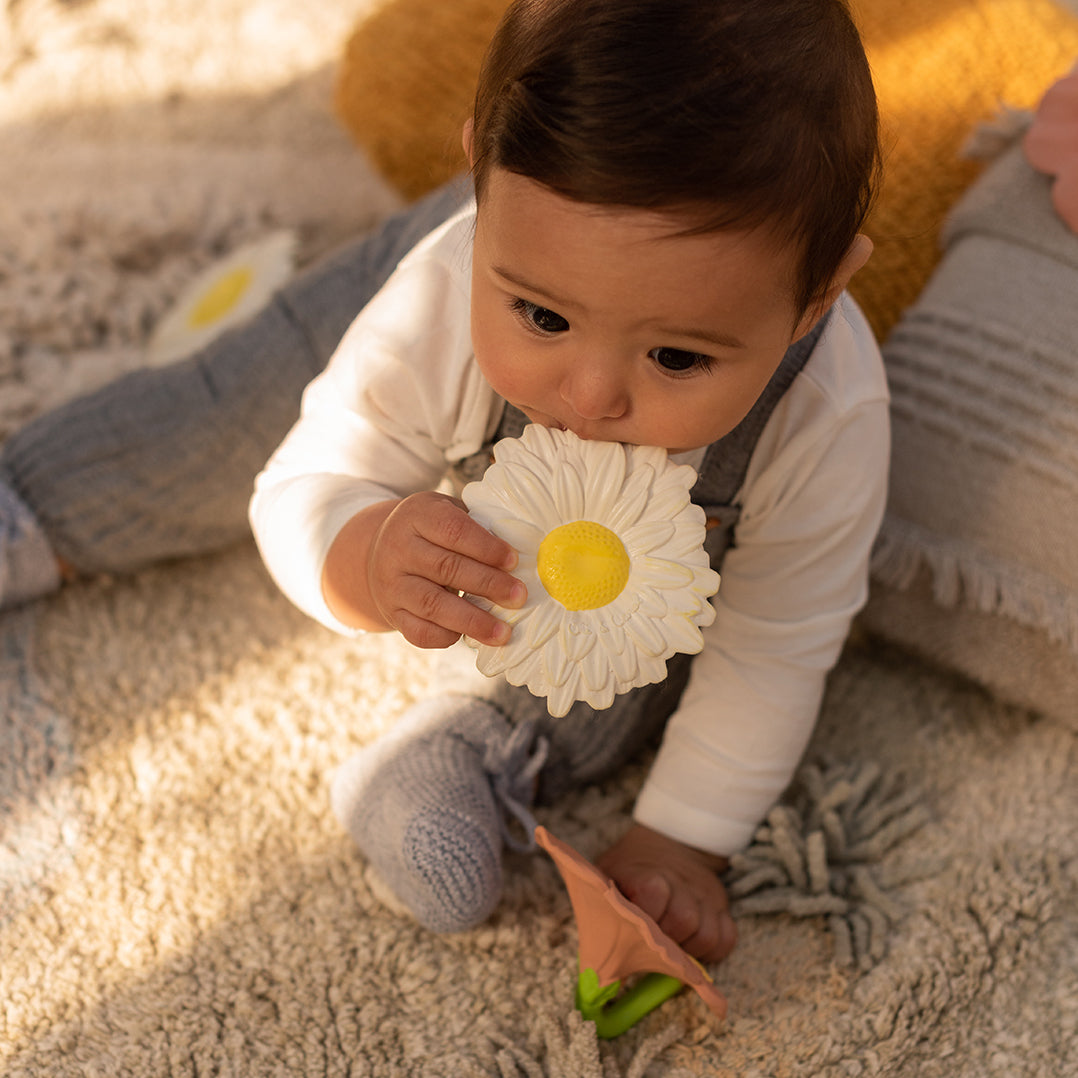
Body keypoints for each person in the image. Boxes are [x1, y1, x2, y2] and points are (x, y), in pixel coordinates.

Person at [248, 0, 887, 967]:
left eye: (676, 355)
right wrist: (360, 552)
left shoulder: (827, 414)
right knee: (221, 401)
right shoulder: (447, 290)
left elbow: (774, 649)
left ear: (816, 299)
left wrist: (677, 837)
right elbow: (310, 471)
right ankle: (35, 512)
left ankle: (455, 753)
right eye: (543, 321)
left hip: (534, 300)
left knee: (601, 706)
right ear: (481, 186)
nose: (589, 397)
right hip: (422, 286)